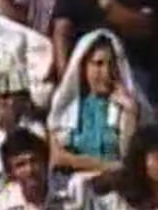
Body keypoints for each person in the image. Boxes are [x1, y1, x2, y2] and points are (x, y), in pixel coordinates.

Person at [44, 30, 147, 176]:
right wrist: (110, 166)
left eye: (111, 64)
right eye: (98, 64)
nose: (106, 72)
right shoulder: (65, 107)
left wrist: (131, 111)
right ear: (83, 67)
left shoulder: (126, 107)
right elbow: (59, 159)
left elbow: (129, 161)